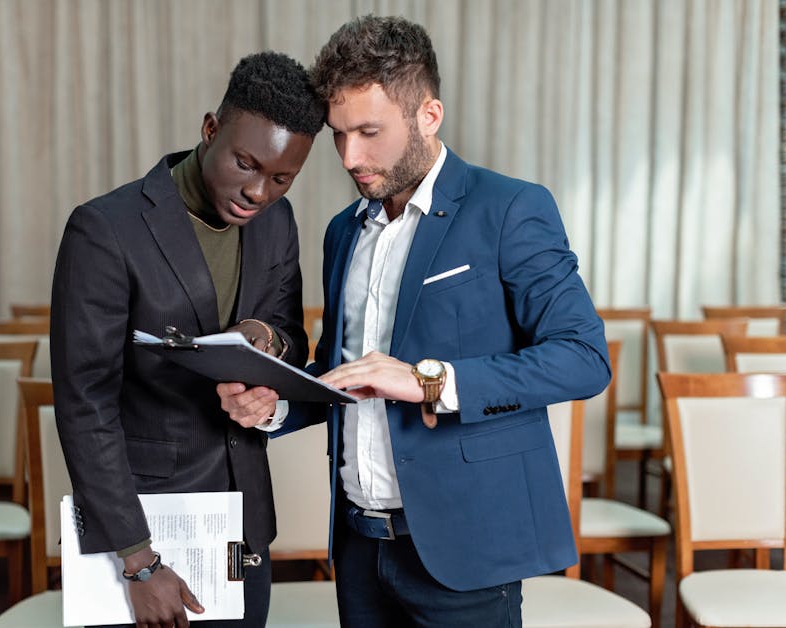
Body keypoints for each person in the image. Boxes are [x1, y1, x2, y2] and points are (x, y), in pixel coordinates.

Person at [218, 16, 610, 627]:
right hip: (356, 546)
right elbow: (339, 374)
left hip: (468, 547)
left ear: (429, 115)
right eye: (339, 135)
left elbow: (584, 358)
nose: (350, 157)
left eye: (369, 132)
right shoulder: (342, 231)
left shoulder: (510, 208)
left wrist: (429, 380)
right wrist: (274, 407)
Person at [50, 51, 325, 628]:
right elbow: (85, 404)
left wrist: (262, 340)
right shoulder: (105, 230)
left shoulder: (279, 222)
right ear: (209, 130)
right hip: (147, 532)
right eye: (245, 163)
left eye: (281, 178)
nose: (258, 192)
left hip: (243, 522)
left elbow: (291, 338)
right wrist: (139, 563)